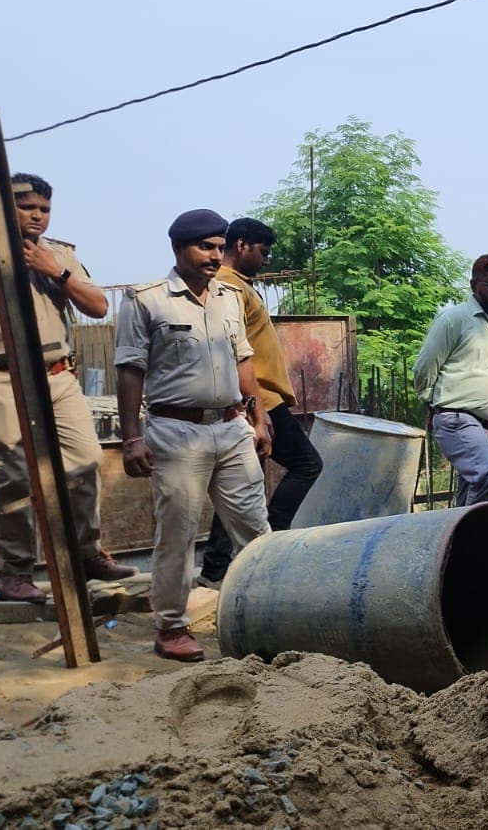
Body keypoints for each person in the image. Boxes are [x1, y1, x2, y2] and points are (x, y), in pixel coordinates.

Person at [0, 172, 136, 602]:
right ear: (3, 209)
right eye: (28, 207)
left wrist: (57, 271)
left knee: (85, 461)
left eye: (44, 209)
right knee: (15, 475)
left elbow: (99, 306)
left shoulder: (60, 253)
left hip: (57, 376)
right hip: (0, 380)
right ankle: (16, 573)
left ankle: (87, 553)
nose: (38, 216)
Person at [114, 208, 272, 661]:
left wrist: (258, 419)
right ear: (178, 249)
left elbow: (244, 361)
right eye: (205, 247)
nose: (214, 255)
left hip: (231, 428)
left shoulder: (228, 296)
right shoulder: (146, 300)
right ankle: (170, 627)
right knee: (178, 535)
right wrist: (130, 438)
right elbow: (129, 370)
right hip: (175, 432)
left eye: (220, 247)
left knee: (256, 530)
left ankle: (262, 615)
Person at [196, 218, 324, 587]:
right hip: (259, 399)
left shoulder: (237, 286)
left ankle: (215, 570)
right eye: (263, 252)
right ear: (242, 245)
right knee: (307, 463)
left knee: (240, 480)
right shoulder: (228, 288)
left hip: (258, 398)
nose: (267, 260)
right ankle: (272, 540)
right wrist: (256, 411)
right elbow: (233, 352)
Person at [412, 254, 488, 506]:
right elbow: (424, 367)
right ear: (474, 286)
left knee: (473, 495)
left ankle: (455, 542)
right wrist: (433, 403)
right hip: (458, 419)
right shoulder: (454, 319)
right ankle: (468, 538)